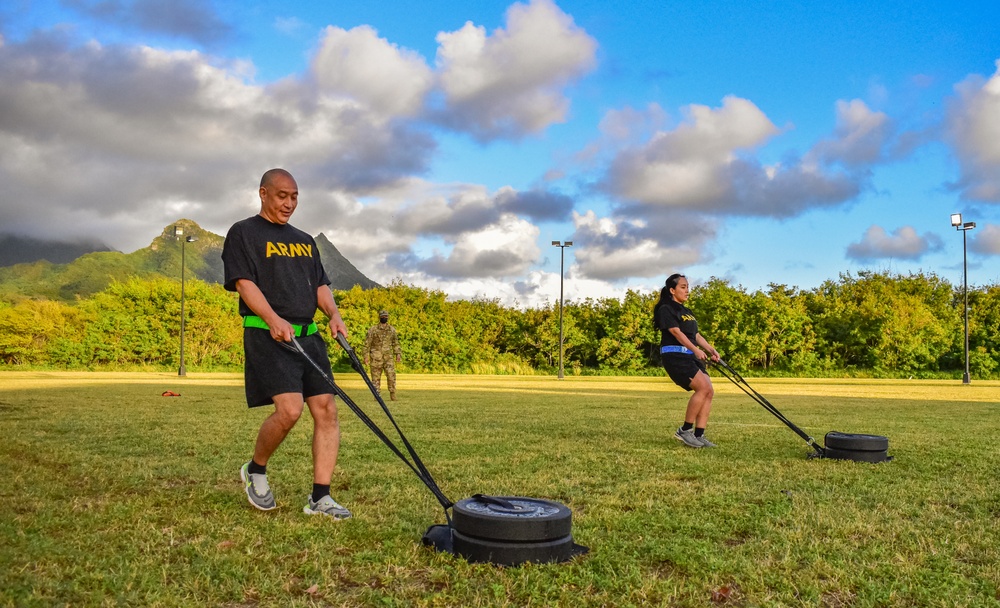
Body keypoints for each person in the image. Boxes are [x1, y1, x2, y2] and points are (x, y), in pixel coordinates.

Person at [221, 168, 352, 519]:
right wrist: (272, 319)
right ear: (263, 193)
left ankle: (320, 498)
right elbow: (243, 282)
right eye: (282, 196)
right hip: (268, 335)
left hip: (308, 336)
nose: (289, 203)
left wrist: (333, 314)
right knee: (290, 410)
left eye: (294, 197)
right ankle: (256, 469)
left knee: (326, 409)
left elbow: (320, 285)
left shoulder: (305, 240)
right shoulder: (243, 233)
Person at [653, 273, 721, 448]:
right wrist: (695, 350)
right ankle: (684, 430)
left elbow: (696, 335)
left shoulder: (687, 312)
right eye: (683, 287)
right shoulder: (667, 309)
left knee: (709, 391)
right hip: (676, 356)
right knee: (702, 388)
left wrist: (711, 350)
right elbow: (676, 332)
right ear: (672, 290)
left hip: (691, 356)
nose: (687, 291)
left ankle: (699, 435)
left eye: (688, 287)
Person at [363, 310, 402, 400]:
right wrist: (365, 356)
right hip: (376, 357)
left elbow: (395, 343)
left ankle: (392, 393)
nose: (384, 318)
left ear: (388, 317)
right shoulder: (373, 329)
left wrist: (398, 354)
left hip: (388, 357)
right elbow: (367, 344)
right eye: (383, 316)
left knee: (391, 376)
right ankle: (376, 396)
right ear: (379, 317)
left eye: (386, 316)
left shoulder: (392, 330)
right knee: (375, 378)